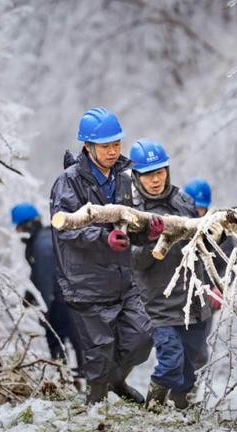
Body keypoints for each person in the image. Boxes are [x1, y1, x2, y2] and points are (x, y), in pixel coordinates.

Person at [49, 107, 163, 404]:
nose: (113, 151)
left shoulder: (125, 179)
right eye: (106, 146)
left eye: (116, 144)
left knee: (143, 337)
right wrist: (102, 236)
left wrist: (147, 232)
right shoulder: (68, 182)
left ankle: (115, 382)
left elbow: (129, 226)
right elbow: (66, 229)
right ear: (88, 146)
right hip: (85, 283)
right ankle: (95, 409)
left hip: (123, 280)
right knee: (99, 351)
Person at [128, 140, 215, 410]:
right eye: (147, 174)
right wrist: (151, 242)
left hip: (192, 301)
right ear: (136, 176)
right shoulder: (132, 212)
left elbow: (205, 247)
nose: (155, 180)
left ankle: (181, 409)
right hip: (158, 303)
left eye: (159, 172)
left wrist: (217, 233)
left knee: (194, 361)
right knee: (170, 360)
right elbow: (132, 261)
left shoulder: (184, 202)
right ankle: (152, 410)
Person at [11, 203, 83, 367]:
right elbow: (38, 273)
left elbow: (45, 278)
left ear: (27, 225)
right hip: (70, 297)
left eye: (19, 228)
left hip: (59, 301)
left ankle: (65, 377)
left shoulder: (41, 246)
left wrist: (45, 309)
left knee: (56, 339)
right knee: (76, 338)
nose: (18, 233)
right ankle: (81, 376)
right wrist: (29, 296)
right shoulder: (46, 238)